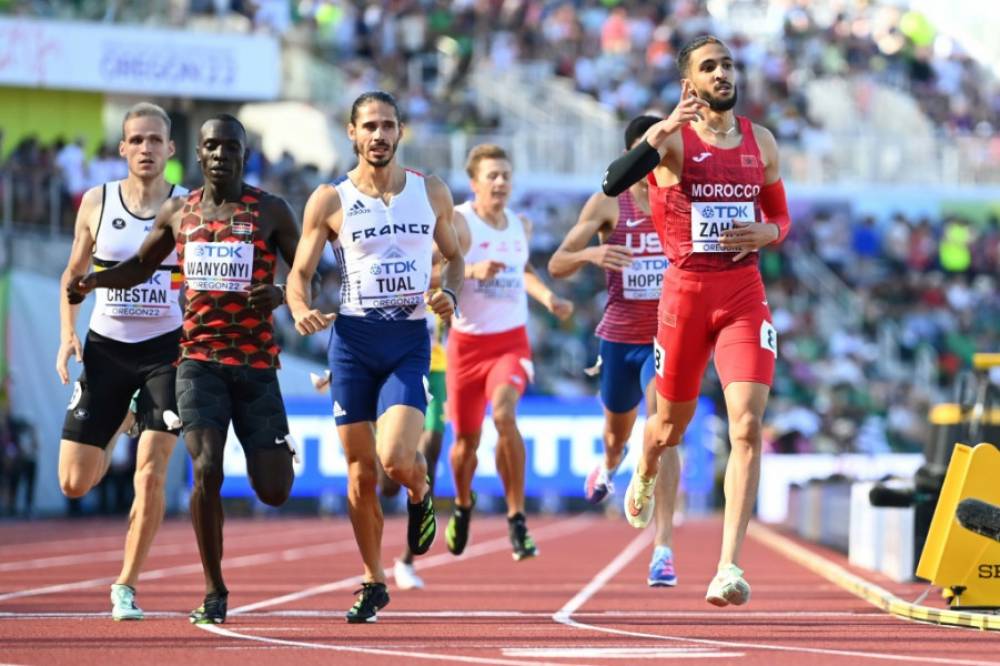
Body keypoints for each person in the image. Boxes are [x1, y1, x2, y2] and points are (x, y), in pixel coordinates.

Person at [68, 114, 297, 625]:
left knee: (274, 489)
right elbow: (140, 268)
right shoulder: (179, 212)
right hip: (197, 360)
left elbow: (310, 277)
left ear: (244, 153)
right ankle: (215, 589)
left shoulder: (272, 212)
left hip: (257, 362)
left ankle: (278, 453)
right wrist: (93, 282)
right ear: (198, 154)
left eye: (230, 147)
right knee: (206, 467)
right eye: (211, 146)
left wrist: (282, 293)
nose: (220, 155)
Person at [601, 35, 792, 607]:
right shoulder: (672, 142)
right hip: (684, 298)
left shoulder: (761, 140)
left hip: (742, 295)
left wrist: (770, 232)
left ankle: (728, 565)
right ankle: (647, 465)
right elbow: (613, 181)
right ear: (690, 83)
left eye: (729, 64)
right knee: (668, 429)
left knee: (747, 428)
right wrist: (662, 129)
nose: (723, 73)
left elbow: (779, 213)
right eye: (710, 67)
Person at [286, 91, 464, 623]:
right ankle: (372, 579)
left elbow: (454, 259)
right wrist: (299, 308)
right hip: (353, 343)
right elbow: (300, 273)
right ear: (352, 132)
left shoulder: (430, 191)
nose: (379, 135)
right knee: (361, 473)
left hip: (408, 340)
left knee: (394, 460)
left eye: (388, 125)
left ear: (400, 132)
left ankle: (420, 488)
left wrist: (449, 295)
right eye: (370, 126)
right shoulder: (329, 200)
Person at [56, 102, 188, 621]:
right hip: (106, 351)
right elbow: (72, 276)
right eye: (137, 140)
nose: (147, 149)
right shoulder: (96, 201)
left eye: (156, 140)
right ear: (123, 148)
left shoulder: (186, 207)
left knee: (151, 473)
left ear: (171, 149)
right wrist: (68, 335)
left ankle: (125, 586)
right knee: (73, 482)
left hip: (166, 352)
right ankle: (123, 419)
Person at [548, 114, 682, 587]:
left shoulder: (683, 199)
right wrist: (592, 254)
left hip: (666, 338)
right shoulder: (609, 202)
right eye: (654, 149)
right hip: (619, 338)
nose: (664, 157)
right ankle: (610, 464)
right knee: (616, 434)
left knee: (665, 431)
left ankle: (662, 547)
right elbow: (557, 262)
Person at [445, 144, 573, 562]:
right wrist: (470, 271)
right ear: (474, 183)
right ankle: (464, 504)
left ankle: (517, 517)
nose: (500, 183)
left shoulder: (521, 225)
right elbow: (430, 272)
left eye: (505, 175)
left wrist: (549, 299)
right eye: (492, 176)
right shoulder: (459, 224)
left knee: (504, 415)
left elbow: (524, 271)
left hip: (510, 342)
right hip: (466, 346)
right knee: (465, 441)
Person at [379, 303, 449, 591]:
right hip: (396, 367)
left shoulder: (449, 272)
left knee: (431, 448)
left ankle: (407, 559)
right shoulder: (408, 266)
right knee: (389, 484)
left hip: (435, 369)